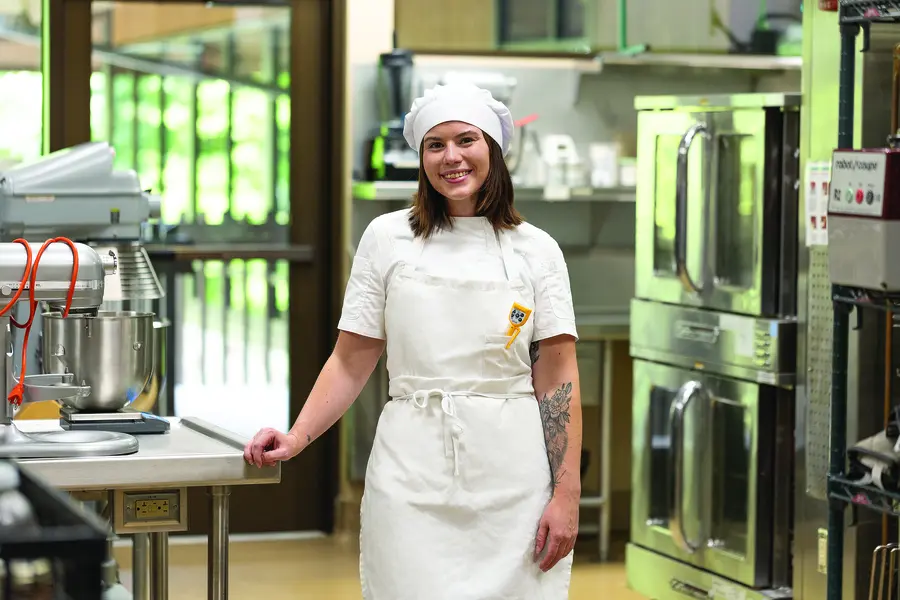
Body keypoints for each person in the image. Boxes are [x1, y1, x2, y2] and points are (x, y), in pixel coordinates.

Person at [244, 82, 583, 599]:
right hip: (411, 464)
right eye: (435, 145)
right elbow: (350, 361)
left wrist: (567, 494)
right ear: (421, 158)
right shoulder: (386, 239)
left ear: (492, 148)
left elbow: (559, 378)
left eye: (466, 140)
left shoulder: (537, 251)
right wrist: (297, 437)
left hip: (511, 474)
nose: (452, 157)